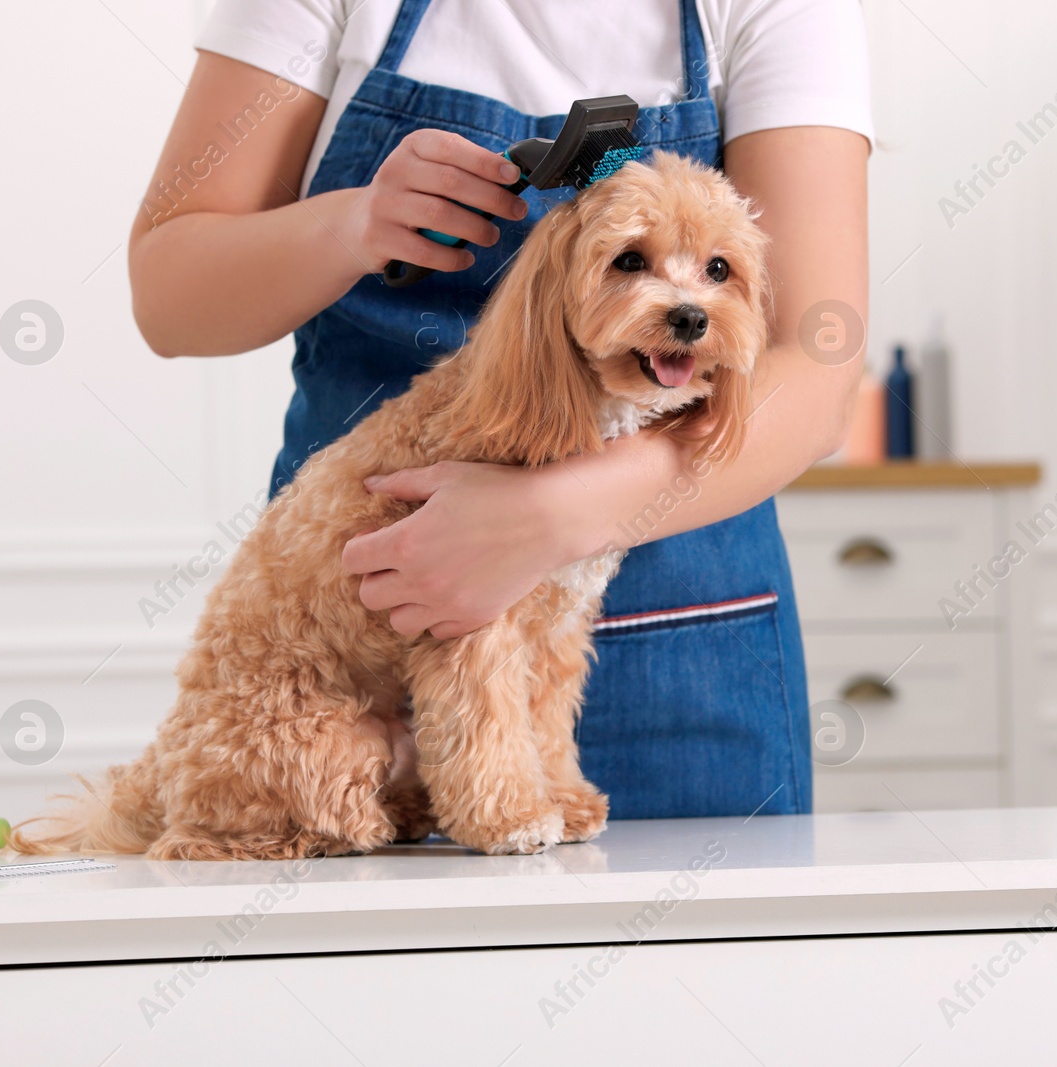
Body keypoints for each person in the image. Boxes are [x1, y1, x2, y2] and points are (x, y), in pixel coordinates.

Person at [128, 0, 871, 820]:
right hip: (350, 651)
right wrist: (350, 225)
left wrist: (542, 519)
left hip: (687, 644)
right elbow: (170, 300)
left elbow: (819, 371)